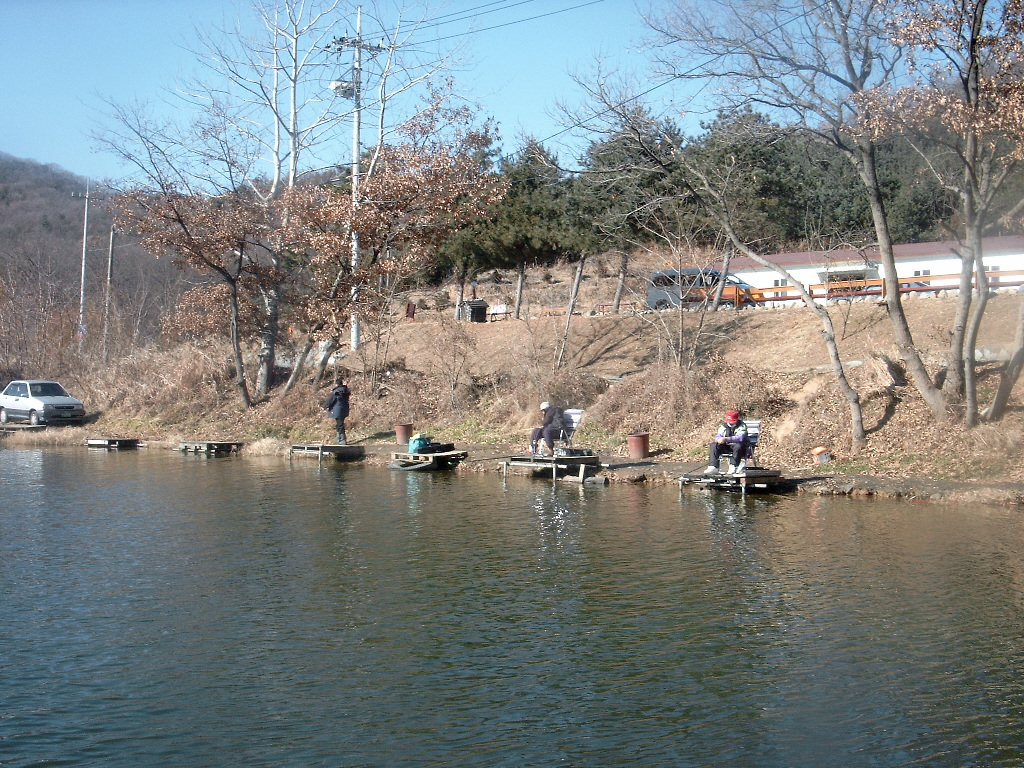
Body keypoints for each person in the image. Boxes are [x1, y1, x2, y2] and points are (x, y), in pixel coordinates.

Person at [705, 409, 749, 475]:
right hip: (727, 447)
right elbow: (718, 436)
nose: (730, 423)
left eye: (732, 421)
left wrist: (726, 439)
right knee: (713, 445)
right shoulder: (723, 427)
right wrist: (719, 440)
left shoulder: (742, 426)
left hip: (740, 448)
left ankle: (733, 466)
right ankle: (713, 466)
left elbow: (740, 438)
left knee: (738, 446)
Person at [323, 377, 351, 445]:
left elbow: (330, 400)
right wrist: (345, 386)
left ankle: (343, 440)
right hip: (344, 409)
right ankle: (338, 438)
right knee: (339, 423)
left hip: (337, 410)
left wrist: (324, 407)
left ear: (336, 384)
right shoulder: (346, 391)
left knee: (340, 425)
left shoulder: (336, 392)